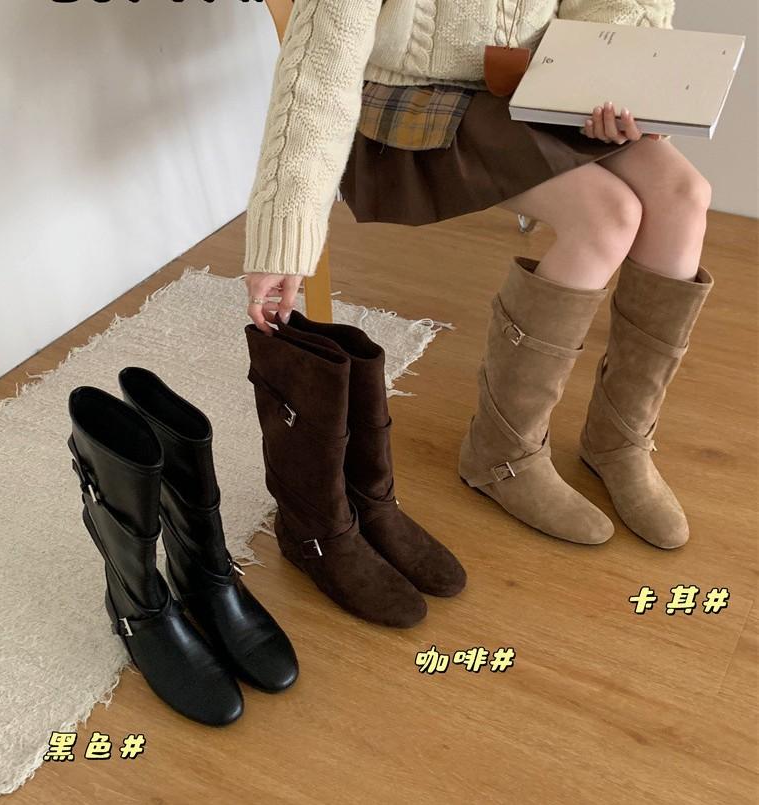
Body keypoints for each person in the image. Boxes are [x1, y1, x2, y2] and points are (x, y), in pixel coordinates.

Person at [242, 0, 714, 550]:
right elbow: (319, 67)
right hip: (414, 99)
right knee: (608, 217)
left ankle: (621, 441)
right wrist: (284, 230)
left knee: (685, 196)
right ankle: (503, 454)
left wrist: (609, 76)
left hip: (541, 83)